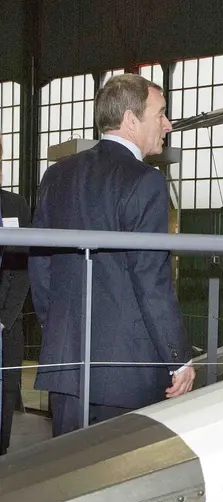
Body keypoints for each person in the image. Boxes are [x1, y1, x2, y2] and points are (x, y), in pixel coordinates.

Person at [29, 73, 195, 437]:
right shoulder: (145, 179)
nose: (167, 124)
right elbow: (150, 277)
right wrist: (177, 357)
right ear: (131, 120)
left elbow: (40, 265)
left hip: (66, 363)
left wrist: (55, 327)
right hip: (127, 371)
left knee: (68, 474)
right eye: (161, 113)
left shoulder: (57, 174)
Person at [0, 138, 31, 454]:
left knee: (7, 388)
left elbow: (22, 265)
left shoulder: (15, 205)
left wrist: (3, 319)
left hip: (7, 322)